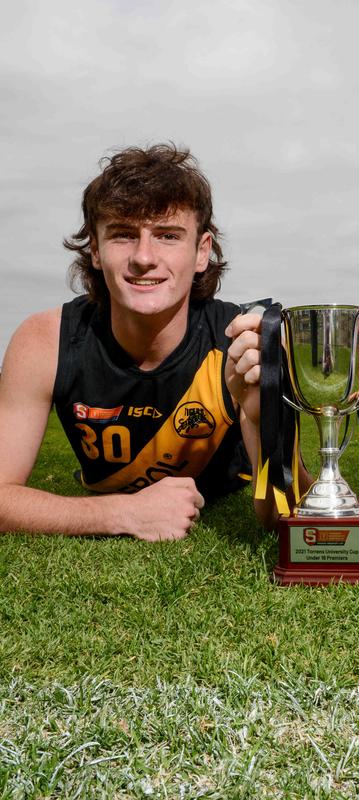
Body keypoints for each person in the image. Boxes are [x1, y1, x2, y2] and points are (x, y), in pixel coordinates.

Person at [0, 143, 290, 540]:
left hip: (229, 490)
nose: (144, 256)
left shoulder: (241, 337)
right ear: (96, 251)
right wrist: (122, 514)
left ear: (201, 252)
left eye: (168, 235)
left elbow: (287, 519)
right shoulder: (45, 340)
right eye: (122, 235)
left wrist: (261, 419)